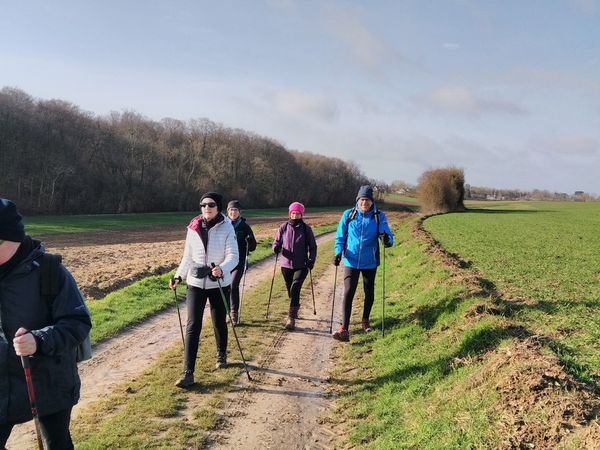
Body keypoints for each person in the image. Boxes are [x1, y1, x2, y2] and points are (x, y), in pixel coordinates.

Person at [0, 198, 92, 450]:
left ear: (15, 237)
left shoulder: (50, 271)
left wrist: (38, 341)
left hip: (49, 383)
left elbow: (78, 323)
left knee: (57, 445)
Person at [169, 192, 238, 388]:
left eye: (211, 204)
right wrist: (178, 276)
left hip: (218, 283)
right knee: (193, 326)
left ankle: (221, 353)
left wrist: (221, 269)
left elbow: (234, 256)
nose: (207, 207)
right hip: (196, 283)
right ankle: (188, 372)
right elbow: (187, 257)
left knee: (218, 322)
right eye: (203, 204)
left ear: (219, 207)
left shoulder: (227, 227)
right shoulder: (193, 227)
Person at [332, 185, 394, 342]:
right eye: (362, 199)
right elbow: (340, 236)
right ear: (357, 200)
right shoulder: (349, 215)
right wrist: (338, 253)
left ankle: (365, 320)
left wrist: (386, 240)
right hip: (351, 260)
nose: (364, 202)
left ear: (372, 201)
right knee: (348, 292)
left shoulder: (378, 216)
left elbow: (386, 234)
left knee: (369, 292)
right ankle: (344, 328)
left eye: (367, 200)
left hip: (370, 261)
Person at [272, 202, 317, 331]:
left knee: (296, 285)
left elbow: (313, 247)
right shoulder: (283, 227)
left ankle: (291, 318)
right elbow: (276, 242)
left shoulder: (306, 229)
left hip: (301, 265)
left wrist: (311, 260)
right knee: (291, 289)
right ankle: (295, 306)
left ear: (301, 214)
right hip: (285, 265)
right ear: (289, 213)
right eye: (293, 213)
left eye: (298, 213)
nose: (295, 215)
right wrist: (276, 247)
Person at [226, 200, 257, 325]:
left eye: (235, 210)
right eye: (231, 210)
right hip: (225, 261)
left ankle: (234, 314)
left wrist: (250, 241)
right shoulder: (223, 225)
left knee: (233, 285)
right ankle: (226, 312)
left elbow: (253, 247)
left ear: (239, 212)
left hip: (239, 261)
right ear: (227, 211)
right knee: (225, 287)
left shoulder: (244, 227)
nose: (233, 212)